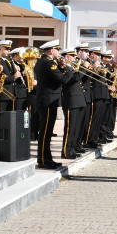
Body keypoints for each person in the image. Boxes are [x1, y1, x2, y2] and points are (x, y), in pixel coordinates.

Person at [33, 40, 70, 170]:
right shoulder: (47, 63)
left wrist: (60, 67)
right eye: (57, 50)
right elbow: (62, 79)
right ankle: (43, 160)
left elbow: (54, 77)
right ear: (51, 50)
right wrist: (68, 69)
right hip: (48, 101)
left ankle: (47, 158)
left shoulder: (45, 62)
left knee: (47, 132)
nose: (58, 52)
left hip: (47, 100)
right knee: (45, 132)